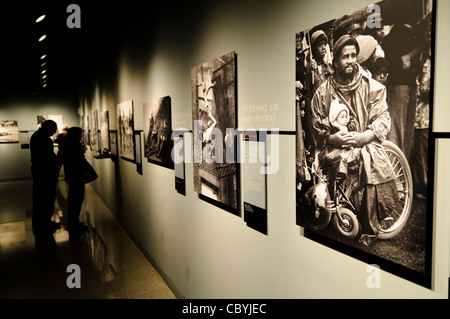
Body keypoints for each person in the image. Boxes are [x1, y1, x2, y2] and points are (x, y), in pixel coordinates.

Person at [310, 35, 403, 245]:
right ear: (335, 62)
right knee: (340, 158)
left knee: (365, 158)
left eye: (354, 55)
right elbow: (316, 127)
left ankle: (369, 224)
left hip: (364, 143)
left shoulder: (371, 86)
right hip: (333, 147)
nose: (351, 60)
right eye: (345, 57)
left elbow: (383, 118)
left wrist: (364, 137)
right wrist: (332, 138)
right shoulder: (322, 93)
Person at [30, 120, 61, 234]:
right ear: (48, 128)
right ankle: (44, 224)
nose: (55, 132)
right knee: (46, 199)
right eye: (54, 129)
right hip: (45, 174)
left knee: (41, 199)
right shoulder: (43, 139)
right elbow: (47, 157)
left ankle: (43, 222)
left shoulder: (37, 136)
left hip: (41, 173)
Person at [63, 127, 89, 234]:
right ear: (75, 135)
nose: (82, 136)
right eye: (80, 134)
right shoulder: (74, 146)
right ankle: (73, 226)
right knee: (76, 201)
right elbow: (78, 161)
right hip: (76, 177)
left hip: (72, 176)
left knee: (74, 201)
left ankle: (74, 223)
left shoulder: (68, 144)